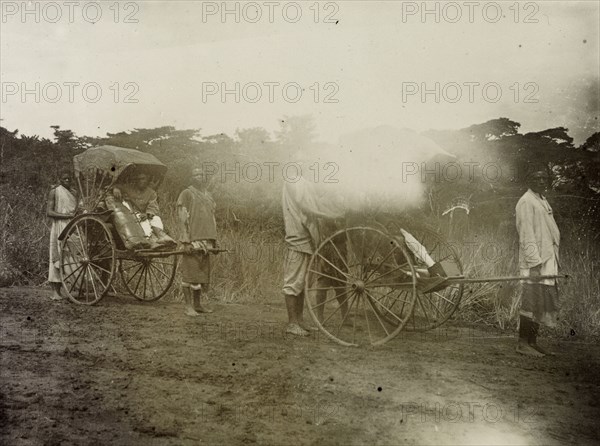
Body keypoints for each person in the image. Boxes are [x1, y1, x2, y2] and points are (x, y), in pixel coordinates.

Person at [282, 174, 345, 336]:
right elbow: (304, 206)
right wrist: (328, 215)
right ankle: (292, 323)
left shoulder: (304, 181)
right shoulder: (293, 180)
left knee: (302, 283)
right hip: (297, 238)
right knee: (293, 282)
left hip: (307, 240)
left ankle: (300, 321)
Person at [515, 168, 560, 357]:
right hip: (535, 261)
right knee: (530, 300)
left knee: (540, 301)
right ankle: (523, 343)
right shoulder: (526, 201)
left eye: (544, 178)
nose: (541, 181)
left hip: (547, 259)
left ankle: (533, 342)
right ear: (528, 180)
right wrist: (534, 263)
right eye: (536, 177)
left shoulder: (541, 199)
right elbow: (526, 234)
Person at [177, 168, 218, 316]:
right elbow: (182, 218)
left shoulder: (208, 195)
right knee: (190, 273)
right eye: (196, 175)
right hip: (193, 238)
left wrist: (214, 239)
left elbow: (212, 218)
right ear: (191, 177)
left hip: (207, 239)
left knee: (201, 274)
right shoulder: (187, 193)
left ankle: (198, 304)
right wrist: (186, 240)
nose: (199, 177)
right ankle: (188, 306)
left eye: (201, 175)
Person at [112, 172, 176, 248]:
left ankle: (161, 235)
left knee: (156, 218)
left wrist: (148, 214)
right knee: (143, 221)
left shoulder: (151, 192)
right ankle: (151, 240)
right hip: (132, 214)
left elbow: (152, 205)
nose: (141, 181)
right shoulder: (129, 188)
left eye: (143, 179)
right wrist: (115, 188)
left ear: (147, 180)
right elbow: (117, 186)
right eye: (139, 179)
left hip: (145, 213)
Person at [47, 170, 77, 300]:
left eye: (69, 179)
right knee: (57, 256)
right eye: (64, 179)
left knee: (71, 256)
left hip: (72, 225)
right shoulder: (54, 192)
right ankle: (55, 292)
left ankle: (67, 287)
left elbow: (75, 210)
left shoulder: (74, 192)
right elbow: (49, 212)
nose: (67, 181)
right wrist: (66, 215)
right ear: (60, 179)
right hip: (59, 225)